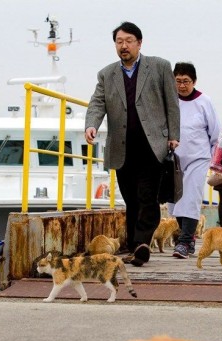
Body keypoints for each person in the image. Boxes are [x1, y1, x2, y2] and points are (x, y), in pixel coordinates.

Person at [84, 22, 180, 267]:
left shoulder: (159, 67)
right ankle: (134, 244)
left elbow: (172, 103)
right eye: (119, 41)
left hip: (152, 143)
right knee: (131, 199)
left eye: (128, 41)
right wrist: (91, 124)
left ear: (139, 43)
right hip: (122, 145)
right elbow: (97, 103)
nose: (123, 46)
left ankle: (141, 245)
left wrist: (173, 135)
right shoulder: (107, 74)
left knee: (147, 196)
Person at [167, 62, 220, 259]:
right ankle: (188, 240)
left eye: (186, 81)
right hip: (175, 157)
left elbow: (214, 131)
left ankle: (184, 240)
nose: (182, 85)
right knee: (174, 200)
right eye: (178, 81)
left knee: (190, 197)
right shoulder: (170, 100)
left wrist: (215, 160)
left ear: (194, 81)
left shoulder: (204, 101)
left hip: (198, 156)